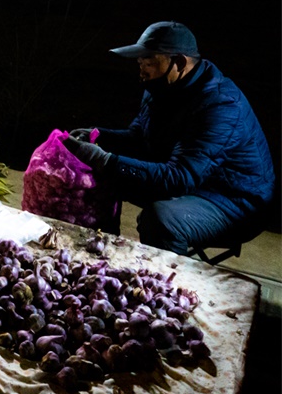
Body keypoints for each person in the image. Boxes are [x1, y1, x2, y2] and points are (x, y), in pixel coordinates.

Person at [64, 21, 276, 255]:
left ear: (179, 62)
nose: (142, 71)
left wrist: (106, 160)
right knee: (96, 176)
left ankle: (170, 287)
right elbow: (139, 138)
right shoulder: (161, 87)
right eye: (140, 63)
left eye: (149, 63)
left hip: (234, 201)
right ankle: (91, 256)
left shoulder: (220, 106)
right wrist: (98, 136)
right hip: (194, 180)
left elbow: (180, 177)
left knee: (161, 219)